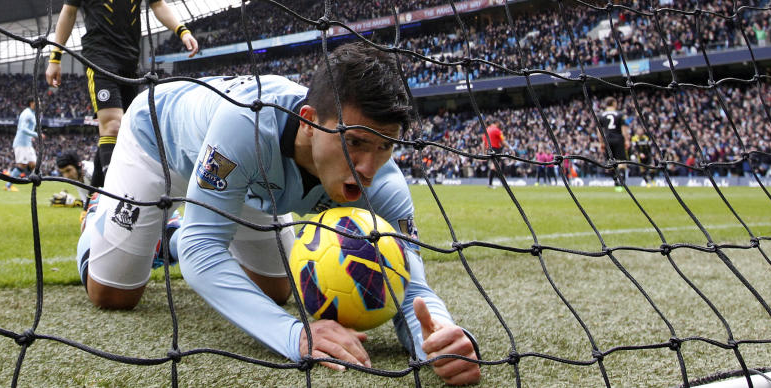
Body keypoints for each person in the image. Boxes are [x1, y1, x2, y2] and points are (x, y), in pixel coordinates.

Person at [77, 43, 481, 385]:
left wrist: (440, 335)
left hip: (244, 186)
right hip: (161, 142)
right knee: (113, 295)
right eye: (354, 142)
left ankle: (172, 235)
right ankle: (100, 208)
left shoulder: (384, 186)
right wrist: (293, 335)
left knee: (274, 291)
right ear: (308, 123)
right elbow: (205, 249)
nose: (368, 167)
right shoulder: (248, 126)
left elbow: (409, 283)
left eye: (384, 147)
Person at [45, 0, 200, 189]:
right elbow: (68, 12)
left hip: (131, 58)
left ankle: (95, 194)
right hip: (99, 55)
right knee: (113, 125)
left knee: (128, 130)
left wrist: (182, 31)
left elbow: (158, 4)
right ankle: (114, 198)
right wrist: (55, 57)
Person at [598, 96, 629, 187]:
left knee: (610, 161)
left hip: (607, 139)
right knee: (621, 161)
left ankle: (615, 180)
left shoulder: (601, 115)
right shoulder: (619, 114)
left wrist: (601, 142)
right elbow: (624, 129)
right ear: (614, 103)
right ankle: (622, 179)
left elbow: (599, 131)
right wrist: (626, 140)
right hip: (618, 138)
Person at [9, 98, 38, 192]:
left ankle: (34, 181)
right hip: (21, 143)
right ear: (31, 103)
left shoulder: (32, 113)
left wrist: (31, 136)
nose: (39, 103)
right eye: (37, 101)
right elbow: (22, 128)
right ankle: (8, 185)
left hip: (27, 144)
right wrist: (36, 134)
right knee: (22, 165)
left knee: (34, 163)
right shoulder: (27, 114)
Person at [482, 122, 504, 187]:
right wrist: (510, 148)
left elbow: (483, 143)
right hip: (496, 149)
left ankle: (503, 184)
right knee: (494, 167)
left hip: (489, 149)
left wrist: (484, 153)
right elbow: (503, 141)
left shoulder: (487, 130)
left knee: (496, 167)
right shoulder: (497, 130)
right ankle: (490, 184)